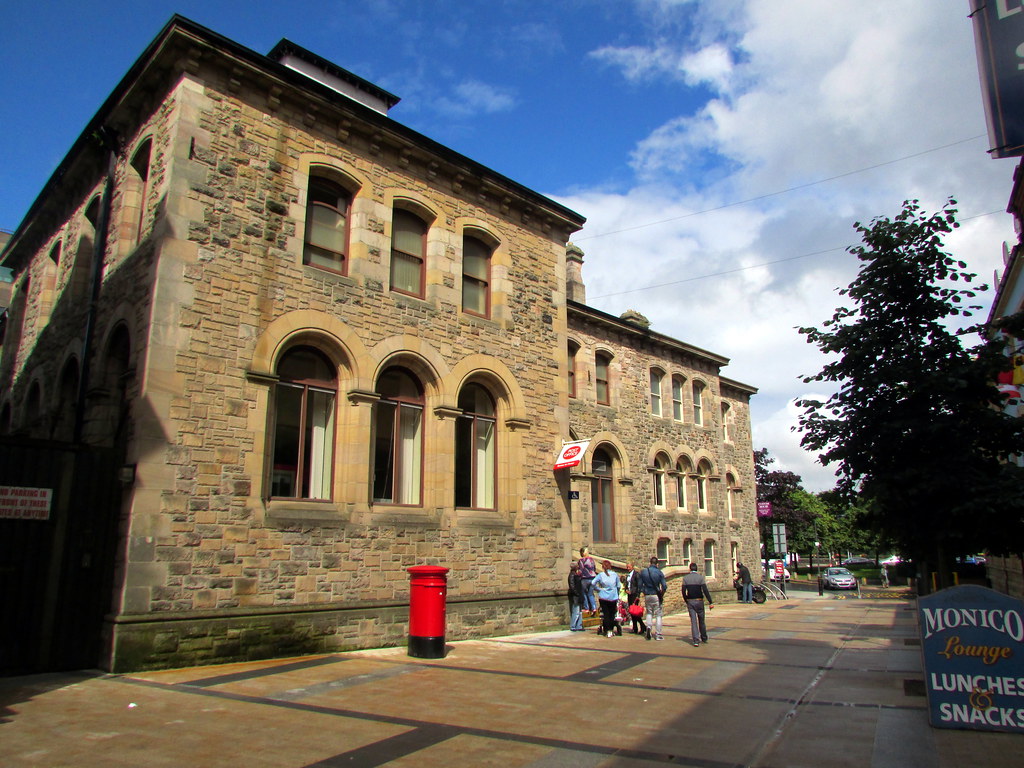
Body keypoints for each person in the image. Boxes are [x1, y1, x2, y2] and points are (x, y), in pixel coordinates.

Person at [683, 562, 714, 647]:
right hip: (699, 601)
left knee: (693, 621)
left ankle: (696, 640)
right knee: (701, 620)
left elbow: (683, 591)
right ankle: (703, 637)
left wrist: (686, 600)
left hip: (690, 601)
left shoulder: (685, 578)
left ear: (690, 569)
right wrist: (710, 601)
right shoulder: (700, 578)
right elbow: (705, 590)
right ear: (696, 569)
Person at [637, 556, 667, 640]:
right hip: (656, 594)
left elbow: (639, 585)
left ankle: (648, 628)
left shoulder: (644, 572)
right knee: (658, 615)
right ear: (657, 564)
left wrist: (643, 591)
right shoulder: (659, 572)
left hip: (647, 594)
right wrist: (662, 594)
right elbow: (664, 586)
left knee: (649, 612)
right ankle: (658, 634)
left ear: (650, 563)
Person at [591, 560, 621, 637]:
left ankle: (607, 630)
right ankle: (610, 630)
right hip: (613, 597)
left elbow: (592, 583)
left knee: (606, 614)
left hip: (603, 596)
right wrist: (616, 592)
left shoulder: (601, 575)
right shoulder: (614, 574)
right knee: (611, 614)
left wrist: (598, 589)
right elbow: (618, 586)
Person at [624, 560, 646, 635]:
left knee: (635, 612)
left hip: (634, 595)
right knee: (631, 612)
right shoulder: (628, 575)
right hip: (629, 595)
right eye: (627, 567)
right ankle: (635, 627)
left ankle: (642, 626)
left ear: (632, 567)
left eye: (629, 567)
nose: (628, 568)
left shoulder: (636, 574)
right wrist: (626, 589)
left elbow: (639, 585)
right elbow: (627, 585)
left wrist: (637, 595)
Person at [578, 546, 597, 616]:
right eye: (586, 551)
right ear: (583, 553)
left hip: (585, 578)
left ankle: (587, 608)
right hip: (592, 578)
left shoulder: (581, 561)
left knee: (584, 593)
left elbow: (581, 570)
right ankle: (594, 607)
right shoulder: (591, 559)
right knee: (590, 593)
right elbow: (594, 568)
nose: (588, 552)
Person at [567, 562, 584, 631]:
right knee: (576, 612)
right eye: (577, 566)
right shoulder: (571, 575)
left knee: (580, 612)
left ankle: (579, 626)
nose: (578, 567)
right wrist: (577, 593)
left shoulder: (576, 574)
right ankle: (573, 626)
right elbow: (572, 586)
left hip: (579, 595)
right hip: (575, 596)